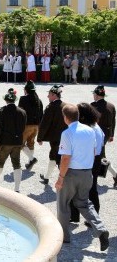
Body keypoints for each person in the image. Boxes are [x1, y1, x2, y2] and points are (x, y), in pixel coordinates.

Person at [55, 104, 109, 250]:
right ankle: (101, 229)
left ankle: (64, 237)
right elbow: (93, 151)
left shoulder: (67, 133)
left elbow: (65, 158)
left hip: (71, 174)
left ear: (65, 117)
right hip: (87, 173)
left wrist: (60, 177)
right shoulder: (91, 131)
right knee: (84, 203)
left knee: (63, 204)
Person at [0, 88, 26, 192]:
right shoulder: (22, 112)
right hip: (17, 142)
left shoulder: (2, 111)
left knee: (0, 162)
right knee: (17, 164)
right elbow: (23, 128)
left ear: (6, 100)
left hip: (5, 142)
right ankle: (17, 188)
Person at [70, 103, 104, 224]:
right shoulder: (95, 126)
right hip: (94, 159)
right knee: (86, 189)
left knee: (89, 189)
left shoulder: (91, 129)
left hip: (91, 160)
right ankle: (75, 215)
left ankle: (93, 218)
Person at [37, 85, 67, 185]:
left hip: (55, 138)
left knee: (57, 159)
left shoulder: (51, 107)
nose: (47, 96)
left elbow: (44, 124)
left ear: (54, 95)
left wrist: (40, 137)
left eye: (49, 94)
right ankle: (46, 177)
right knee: (54, 156)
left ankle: (66, 181)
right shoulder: (65, 106)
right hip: (65, 137)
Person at [91, 85, 117, 186]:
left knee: (99, 156)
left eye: (94, 94)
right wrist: (111, 135)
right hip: (106, 134)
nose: (93, 95)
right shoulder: (111, 106)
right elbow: (113, 122)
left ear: (97, 95)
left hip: (95, 135)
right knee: (100, 155)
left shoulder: (93, 106)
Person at [18, 80, 43, 170]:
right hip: (36, 126)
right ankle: (29, 162)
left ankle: (32, 159)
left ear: (26, 90)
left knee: (20, 144)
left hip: (26, 125)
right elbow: (41, 114)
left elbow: (20, 113)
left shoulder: (23, 99)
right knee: (31, 143)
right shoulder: (39, 100)